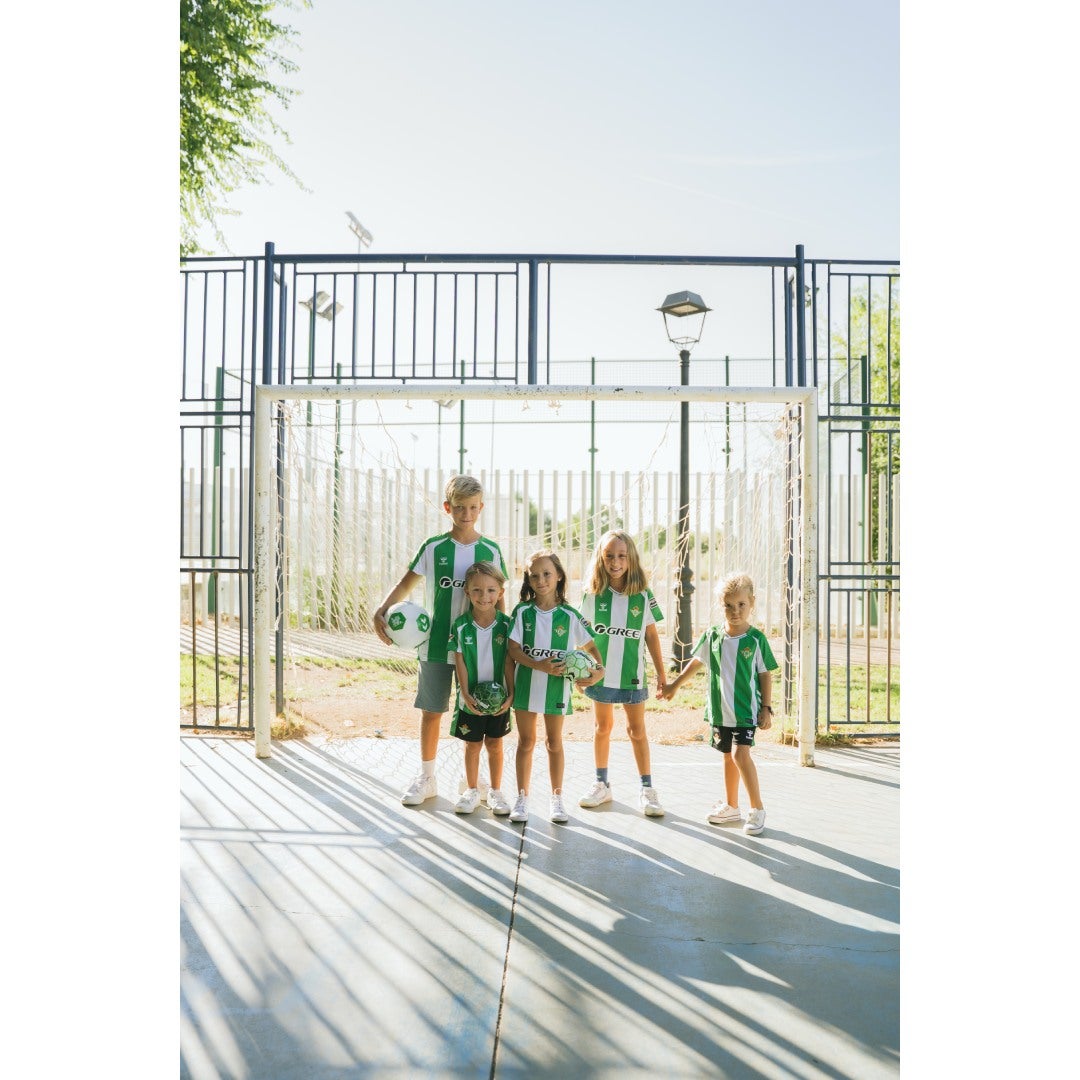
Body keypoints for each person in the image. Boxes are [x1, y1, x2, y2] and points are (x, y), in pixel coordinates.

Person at [372, 475, 506, 806]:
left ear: (481, 508)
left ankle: (471, 779)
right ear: (448, 508)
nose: (466, 514)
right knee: (431, 711)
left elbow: (500, 598)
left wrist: (501, 641)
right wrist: (381, 610)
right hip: (435, 644)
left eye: (472, 508)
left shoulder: (490, 550)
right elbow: (406, 584)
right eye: (459, 507)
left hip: (476, 648)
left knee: (476, 711)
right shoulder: (433, 547)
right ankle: (427, 777)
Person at [661, 572, 778, 835]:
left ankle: (757, 809)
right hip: (720, 710)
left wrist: (766, 708)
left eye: (741, 605)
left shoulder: (756, 639)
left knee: (740, 754)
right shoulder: (713, 635)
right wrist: (674, 685)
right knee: (728, 756)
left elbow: (765, 674)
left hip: (745, 711)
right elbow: (696, 662)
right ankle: (731, 805)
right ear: (720, 605)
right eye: (729, 605)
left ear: (752, 602)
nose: (735, 611)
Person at [507, 549, 604, 824]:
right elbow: (513, 650)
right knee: (526, 742)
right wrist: (538, 665)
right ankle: (522, 797)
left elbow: (591, 648)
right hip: (527, 684)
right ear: (528, 580)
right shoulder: (522, 612)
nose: (541, 580)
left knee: (554, 742)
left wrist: (599, 670)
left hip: (557, 688)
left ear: (559, 575)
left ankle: (557, 798)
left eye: (547, 574)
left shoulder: (570, 615)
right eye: (534, 576)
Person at [577, 530, 667, 817]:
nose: (615, 562)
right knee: (602, 727)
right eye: (609, 556)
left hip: (632, 675)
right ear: (600, 559)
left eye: (621, 556)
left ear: (631, 559)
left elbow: (652, 636)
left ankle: (647, 789)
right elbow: (581, 636)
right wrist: (580, 670)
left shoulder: (643, 595)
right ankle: (601, 784)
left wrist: (662, 674)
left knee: (636, 730)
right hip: (600, 675)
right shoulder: (592, 594)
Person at [449, 561, 515, 815]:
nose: (484, 596)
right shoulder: (461, 625)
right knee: (472, 745)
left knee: (495, 744)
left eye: (490, 590)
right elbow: (460, 661)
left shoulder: (507, 625)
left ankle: (496, 791)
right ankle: (472, 790)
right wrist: (465, 694)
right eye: (477, 590)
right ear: (467, 592)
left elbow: (508, 661)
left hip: (499, 700)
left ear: (500, 593)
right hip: (471, 700)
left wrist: (511, 694)